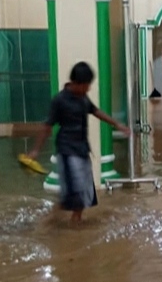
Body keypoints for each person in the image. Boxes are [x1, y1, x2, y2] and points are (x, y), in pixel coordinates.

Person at [24, 62, 130, 223]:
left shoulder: (82, 97)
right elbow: (47, 126)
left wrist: (117, 124)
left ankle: (63, 222)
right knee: (75, 194)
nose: (88, 89)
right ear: (77, 83)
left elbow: (95, 111)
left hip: (81, 150)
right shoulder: (59, 100)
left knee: (83, 193)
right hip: (67, 152)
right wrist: (36, 150)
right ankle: (55, 225)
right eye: (87, 85)